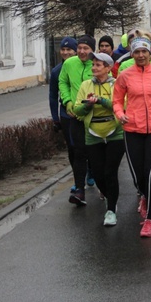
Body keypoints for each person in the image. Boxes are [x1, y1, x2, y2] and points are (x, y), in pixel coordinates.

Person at [113, 34, 151, 238]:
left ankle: (149, 220)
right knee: (138, 175)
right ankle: (148, 192)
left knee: (150, 172)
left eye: (144, 51)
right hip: (132, 129)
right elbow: (116, 100)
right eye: (137, 52)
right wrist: (120, 114)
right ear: (132, 54)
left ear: (150, 53)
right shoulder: (125, 75)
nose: (140, 55)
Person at [73, 52, 124, 227]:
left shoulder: (117, 85)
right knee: (98, 173)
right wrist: (88, 104)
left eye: (98, 65)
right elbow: (77, 110)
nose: (94, 68)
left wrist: (101, 100)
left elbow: (121, 106)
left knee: (110, 172)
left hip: (115, 133)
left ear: (108, 68)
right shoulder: (86, 85)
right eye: (93, 64)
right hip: (92, 134)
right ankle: (111, 197)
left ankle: (111, 210)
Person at [58, 34, 96, 205]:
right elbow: (63, 82)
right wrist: (67, 102)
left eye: (85, 48)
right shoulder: (69, 63)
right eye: (79, 48)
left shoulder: (97, 65)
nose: (81, 51)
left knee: (96, 154)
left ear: (92, 50)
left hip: (96, 117)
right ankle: (79, 190)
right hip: (76, 116)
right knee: (78, 152)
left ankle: (102, 185)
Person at [49, 37, 78, 183]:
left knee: (86, 147)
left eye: (69, 50)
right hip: (66, 113)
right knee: (72, 148)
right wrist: (55, 118)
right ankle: (77, 177)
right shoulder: (56, 71)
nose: (65, 52)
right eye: (63, 49)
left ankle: (90, 171)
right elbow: (53, 96)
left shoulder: (84, 66)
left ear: (76, 51)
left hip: (83, 112)